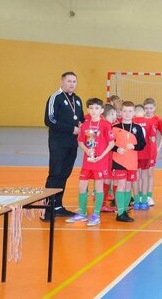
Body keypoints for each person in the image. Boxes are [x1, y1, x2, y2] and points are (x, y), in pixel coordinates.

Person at [43, 71, 85, 220]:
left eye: (74, 81)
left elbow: (81, 119)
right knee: (55, 174)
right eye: (69, 81)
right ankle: (47, 210)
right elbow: (49, 119)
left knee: (64, 174)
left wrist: (83, 125)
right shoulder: (55, 97)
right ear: (62, 82)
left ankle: (58, 206)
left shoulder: (77, 100)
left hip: (72, 144)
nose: (72, 84)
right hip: (58, 143)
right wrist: (71, 129)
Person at [66, 98, 115, 227]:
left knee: (98, 187)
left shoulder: (105, 125)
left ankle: (96, 215)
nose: (94, 111)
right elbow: (80, 141)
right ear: (88, 110)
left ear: (102, 110)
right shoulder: (85, 125)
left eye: (97, 108)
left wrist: (101, 156)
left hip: (100, 162)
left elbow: (111, 143)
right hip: (87, 162)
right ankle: (82, 213)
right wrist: (87, 150)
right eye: (91, 108)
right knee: (82, 186)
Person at [111, 101, 146, 222]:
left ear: (134, 113)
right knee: (121, 185)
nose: (127, 113)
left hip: (131, 162)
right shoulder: (115, 127)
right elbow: (109, 143)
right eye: (125, 111)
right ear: (121, 112)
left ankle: (124, 211)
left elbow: (142, 144)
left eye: (130, 111)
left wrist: (134, 146)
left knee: (127, 187)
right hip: (118, 161)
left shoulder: (138, 128)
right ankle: (120, 213)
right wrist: (117, 149)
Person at [142, 98, 162, 207]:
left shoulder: (157, 119)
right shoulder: (139, 119)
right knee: (141, 174)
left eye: (151, 108)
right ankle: (141, 195)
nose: (148, 110)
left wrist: (159, 147)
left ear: (154, 108)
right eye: (146, 108)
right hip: (141, 151)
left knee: (150, 173)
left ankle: (149, 196)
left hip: (151, 151)